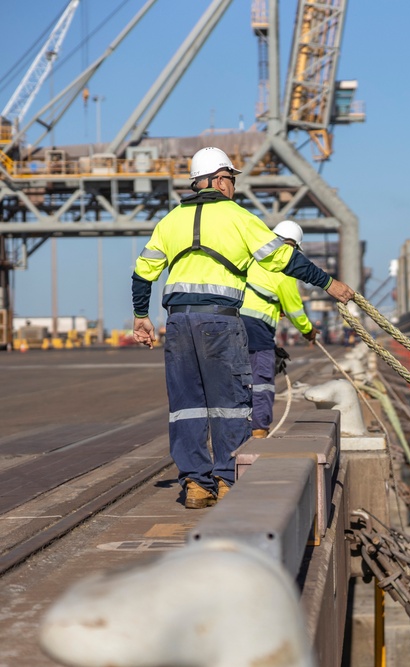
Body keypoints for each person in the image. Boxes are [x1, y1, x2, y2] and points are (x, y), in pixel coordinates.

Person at [131, 146, 354, 509]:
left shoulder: (169, 221)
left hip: (178, 324)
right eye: (231, 179)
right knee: (230, 405)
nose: (233, 186)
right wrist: (329, 284)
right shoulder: (237, 216)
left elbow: (143, 273)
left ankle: (195, 486)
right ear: (219, 180)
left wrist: (141, 316)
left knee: (186, 406)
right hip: (220, 322)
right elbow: (284, 258)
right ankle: (225, 480)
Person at [240, 219, 315, 439]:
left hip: (230, 321)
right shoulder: (284, 267)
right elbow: (295, 310)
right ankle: (259, 430)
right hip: (257, 329)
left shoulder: (251, 257)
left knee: (235, 378)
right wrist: (308, 331)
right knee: (261, 380)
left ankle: (234, 429)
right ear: (293, 246)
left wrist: (275, 303)